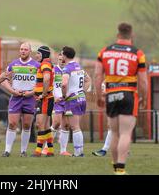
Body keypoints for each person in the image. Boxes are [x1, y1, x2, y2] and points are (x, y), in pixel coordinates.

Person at [95, 22, 148, 175]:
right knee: (125, 133)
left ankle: (115, 167)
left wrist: (99, 96)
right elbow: (143, 81)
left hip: (111, 94)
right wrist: (144, 98)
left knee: (114, 132)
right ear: (131, 35)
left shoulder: (104, 52)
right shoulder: (137, 53)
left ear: (117, 34)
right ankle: (121, 169)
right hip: (129, 94)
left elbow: (98, 76)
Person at [1, 42, 40, 157]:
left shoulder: (36, 66)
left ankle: (23, 151)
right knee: (12, 123)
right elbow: (4, 80)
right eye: (21, 49)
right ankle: (7, 150)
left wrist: (31, 93)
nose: (23, 51)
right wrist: (12, 91)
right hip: (16, 98)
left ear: (30, 51)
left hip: (30, 99)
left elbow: (40, 84)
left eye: (25, 49)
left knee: (27, 125)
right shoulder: (13, 64)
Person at [61, 46, 91, 157]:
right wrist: (82, 91)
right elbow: (88, 80)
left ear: (64, 55)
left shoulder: (67, 68)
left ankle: (78, 153)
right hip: (81, 99)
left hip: (72, 100)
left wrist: (64, 96)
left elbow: (64, 84)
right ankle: (79, 151)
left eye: (61, 54)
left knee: (75, 127)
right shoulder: (79, 67)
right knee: (75, 126)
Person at [42, 53, 72, 156]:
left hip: (67, 101)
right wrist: (54, 97)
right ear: (57, 60)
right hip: (57, 101)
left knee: (67, 125)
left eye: (63, 59)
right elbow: (48, 85)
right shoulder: (54, 70)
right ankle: (46, 148)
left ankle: (63, 150)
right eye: (60, 59)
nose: (62, 61)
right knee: (56, 123)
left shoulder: (69, 70)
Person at [32, 45, 55, 157]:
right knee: (45, 125)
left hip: (45, 99)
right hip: (47, 98)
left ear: (43, 55)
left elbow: (46, 78)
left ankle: (38, 151)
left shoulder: (45, 63)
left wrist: (44, 94)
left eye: (38, 53)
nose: (36, 55)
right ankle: (50, 150)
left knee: (40, 124)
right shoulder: (47, 63)